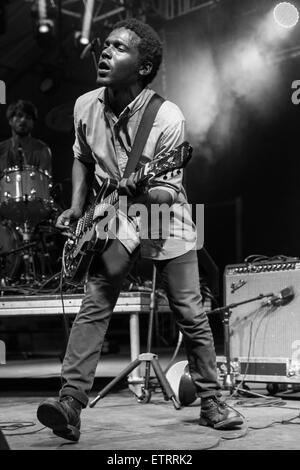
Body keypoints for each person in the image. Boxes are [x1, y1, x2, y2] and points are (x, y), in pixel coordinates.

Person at [36, 18, 243, 442]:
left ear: (144, 67)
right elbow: (80, 156)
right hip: (112, 214)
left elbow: (168, 191)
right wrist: (78, 208)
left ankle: (212, 400)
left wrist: (141, 193)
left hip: (165, 215)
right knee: (96, 300)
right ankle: (70, 404)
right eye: (105, 45)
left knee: (190, 311)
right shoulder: (84, 105)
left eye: (119, 48)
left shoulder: (168, 117)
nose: (105, 52)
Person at [0, 99, 52, 176]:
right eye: (19, 115)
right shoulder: (1, 149)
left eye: (28, 117)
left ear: (33, 123)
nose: (23, 120)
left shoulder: (42, 149)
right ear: (10, 120)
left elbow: (44, 182)